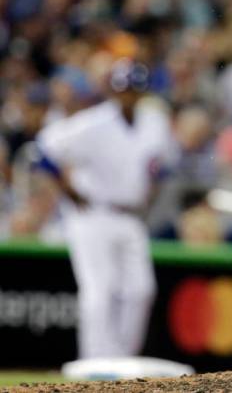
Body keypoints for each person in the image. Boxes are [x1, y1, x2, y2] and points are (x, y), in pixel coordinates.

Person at [34, 59, 173, 359]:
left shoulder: (154, 122)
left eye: (134, 89)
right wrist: (68, 193)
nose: (128, 95)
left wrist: (150, 193)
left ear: (142, 91)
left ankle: (122, 362)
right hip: (92, 214)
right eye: (123, 89)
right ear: (113, 90)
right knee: (100, 291)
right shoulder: (93, 122)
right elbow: (43, 151)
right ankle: (95, 365)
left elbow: (159, 166)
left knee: (141, 290)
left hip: (132, 215)